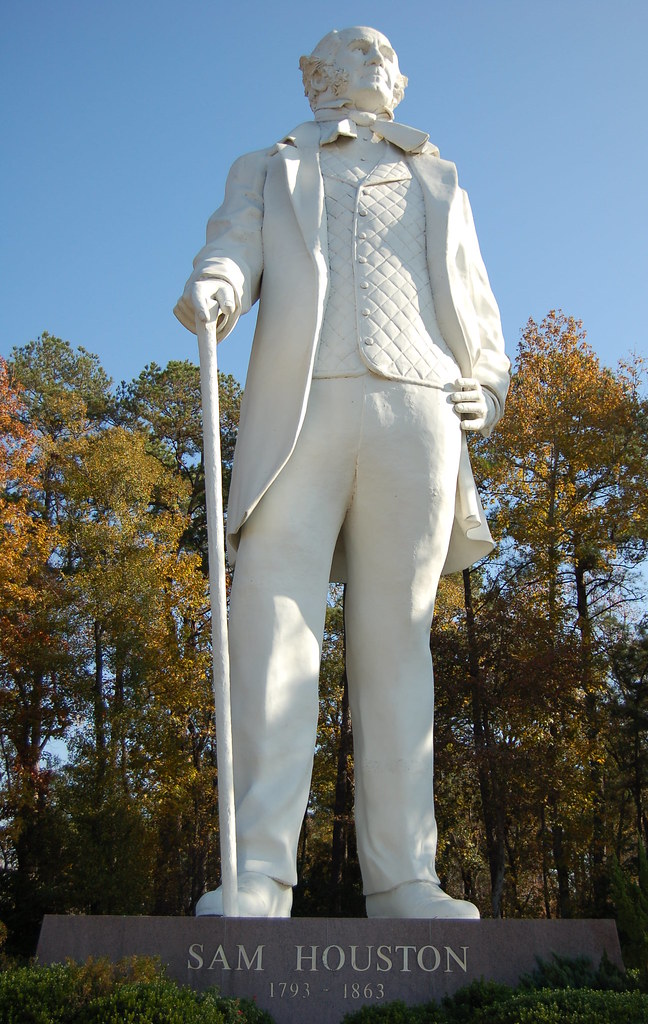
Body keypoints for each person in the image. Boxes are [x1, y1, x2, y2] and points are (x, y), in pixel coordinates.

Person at [175, 26, 510, 919]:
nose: (382, 65)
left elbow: (473, 297)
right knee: (273, 629)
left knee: (397, 641)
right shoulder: (269, 164)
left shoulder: (439, 178)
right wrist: (216, 285)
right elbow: (234, 245)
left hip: (420, 411)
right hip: (302, 410)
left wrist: (487, 384)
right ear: (319, 73)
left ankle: (405, 880)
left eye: (387, 57)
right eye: (363, 51)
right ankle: (258, 872)